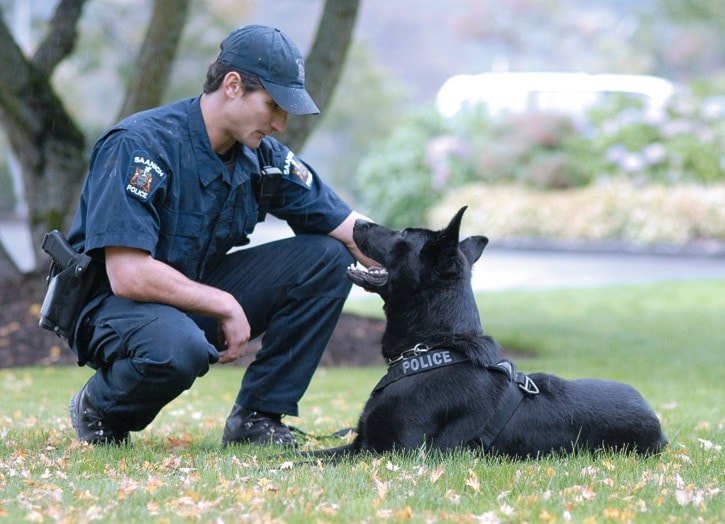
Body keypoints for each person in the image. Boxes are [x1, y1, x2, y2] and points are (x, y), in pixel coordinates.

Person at [64, 24, 376, 447]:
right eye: (273, 105)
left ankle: (257, 419)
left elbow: (352, 230)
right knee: (179, 348)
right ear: (232, 86)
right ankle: (99, 408)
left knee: (328, 257)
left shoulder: (261, 157)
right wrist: (224, 304)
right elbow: (129, 275)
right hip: (113, 306)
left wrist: (428, 267)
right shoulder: (140, 145)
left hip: (186, 298)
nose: (281, 124)